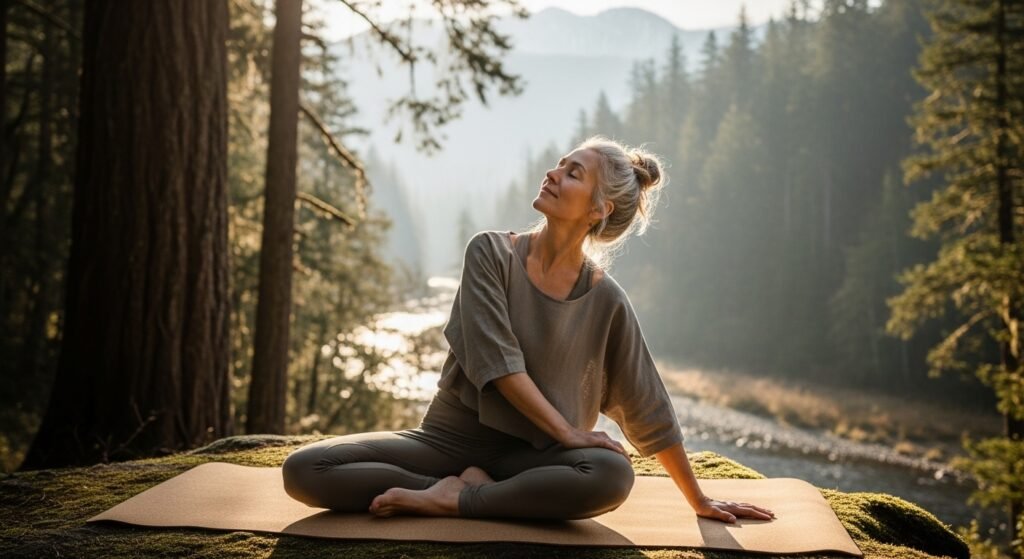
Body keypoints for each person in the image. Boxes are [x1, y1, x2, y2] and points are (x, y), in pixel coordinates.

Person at [281, 135, 776, 524]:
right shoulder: (490, 254)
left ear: (598, 210)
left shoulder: (607, 301)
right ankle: (464, 487)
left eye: (572, 172)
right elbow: (498, 366)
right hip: (447, 442)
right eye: (560, 164)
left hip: (533, 461)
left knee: (610, 475)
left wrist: (699, 498)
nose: (553, 173)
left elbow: (649, 409)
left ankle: (459, 499)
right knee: (305, 470)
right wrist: (567, 431)